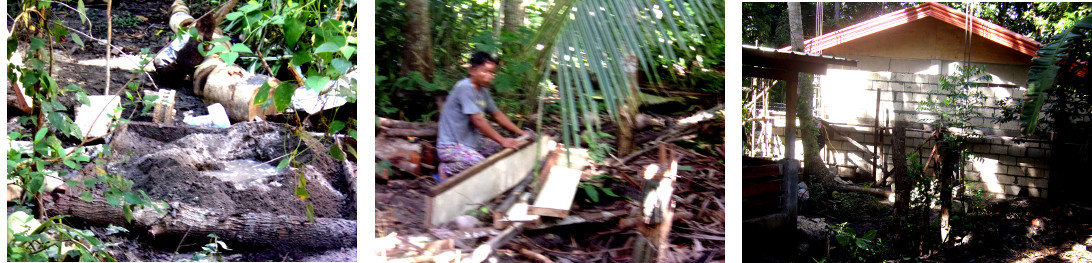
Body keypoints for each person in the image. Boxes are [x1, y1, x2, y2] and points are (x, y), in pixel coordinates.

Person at [435, 51, 531, 180]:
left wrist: (520, 133)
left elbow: (497, 115)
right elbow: (478, 120)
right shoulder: (465, 87)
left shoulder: (483, 90)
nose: (490, 76)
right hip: (450, 146)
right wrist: (502, 139)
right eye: (485, 72)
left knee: (503, 150)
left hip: (473, 142)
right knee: (479, 164)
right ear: (472, 70)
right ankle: (446, 169)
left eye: (492, 73)